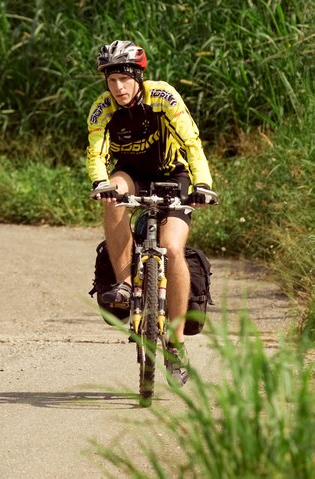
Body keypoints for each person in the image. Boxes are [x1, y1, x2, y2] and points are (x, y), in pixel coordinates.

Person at [86, 40, 214, 385]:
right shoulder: (102, 109)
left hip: (175, 174)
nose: (118, 88)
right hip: (132, 175)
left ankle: (176, 343)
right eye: (111, 81)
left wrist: (202, 184)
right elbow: (96, 153)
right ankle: (126, 283)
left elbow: (192, 142)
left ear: (138, 77)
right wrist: (100, 182)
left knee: (172, 249)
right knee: (113, 195)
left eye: (124, 80)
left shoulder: (164, 97)